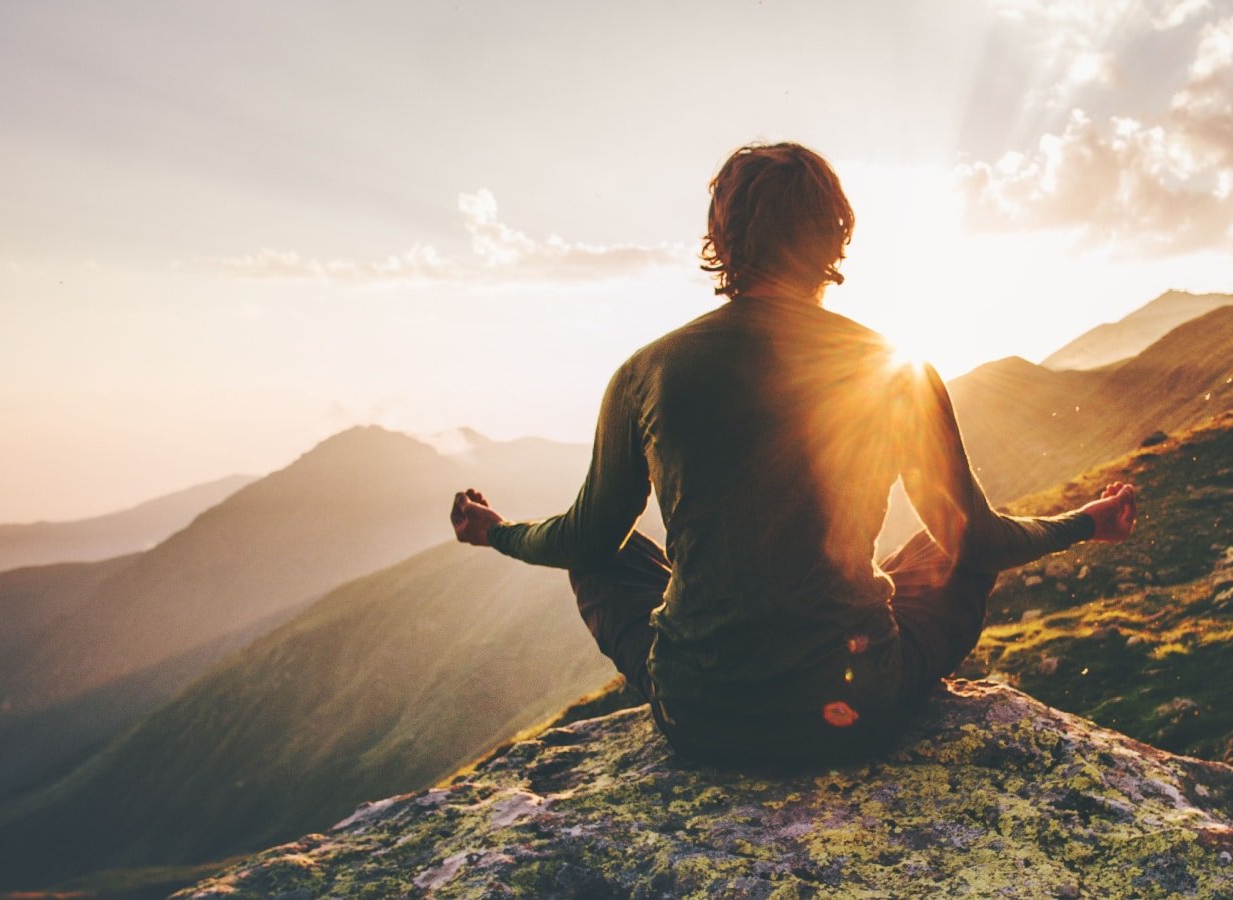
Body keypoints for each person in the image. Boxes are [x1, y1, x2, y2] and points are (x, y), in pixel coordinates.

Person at [452, 142, 1137, 766]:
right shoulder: (895, 368)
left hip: (701, 718)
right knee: (947, 548)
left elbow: (582, 538)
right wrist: (1086, 521)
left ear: (721, 239)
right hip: (855, 713)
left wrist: (497, 532)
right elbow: (980, 540)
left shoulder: (647, 371)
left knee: (605, 551)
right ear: (835, 235)